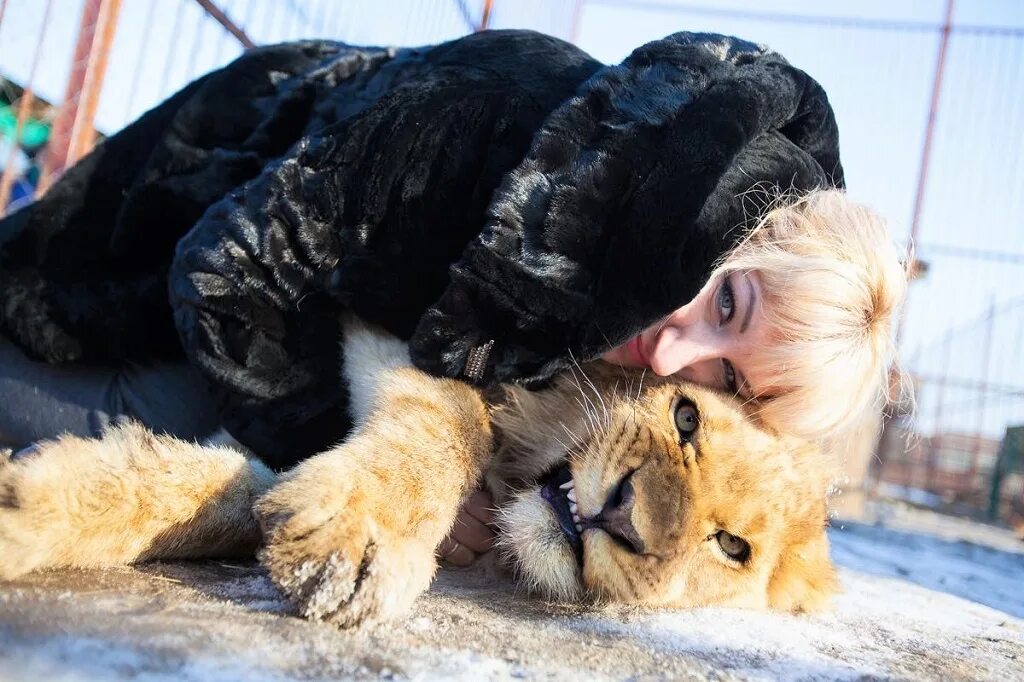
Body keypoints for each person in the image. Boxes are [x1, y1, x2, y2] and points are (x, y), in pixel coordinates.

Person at [0, 31, 906, 565]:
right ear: (740, 218)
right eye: (729, 305)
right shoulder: (488, 114)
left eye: (728, 379)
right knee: (102, 415)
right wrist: (391, 473)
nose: (674, 360)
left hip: (315, 287)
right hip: (186, 222)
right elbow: (223, 274)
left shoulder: (649, 283)